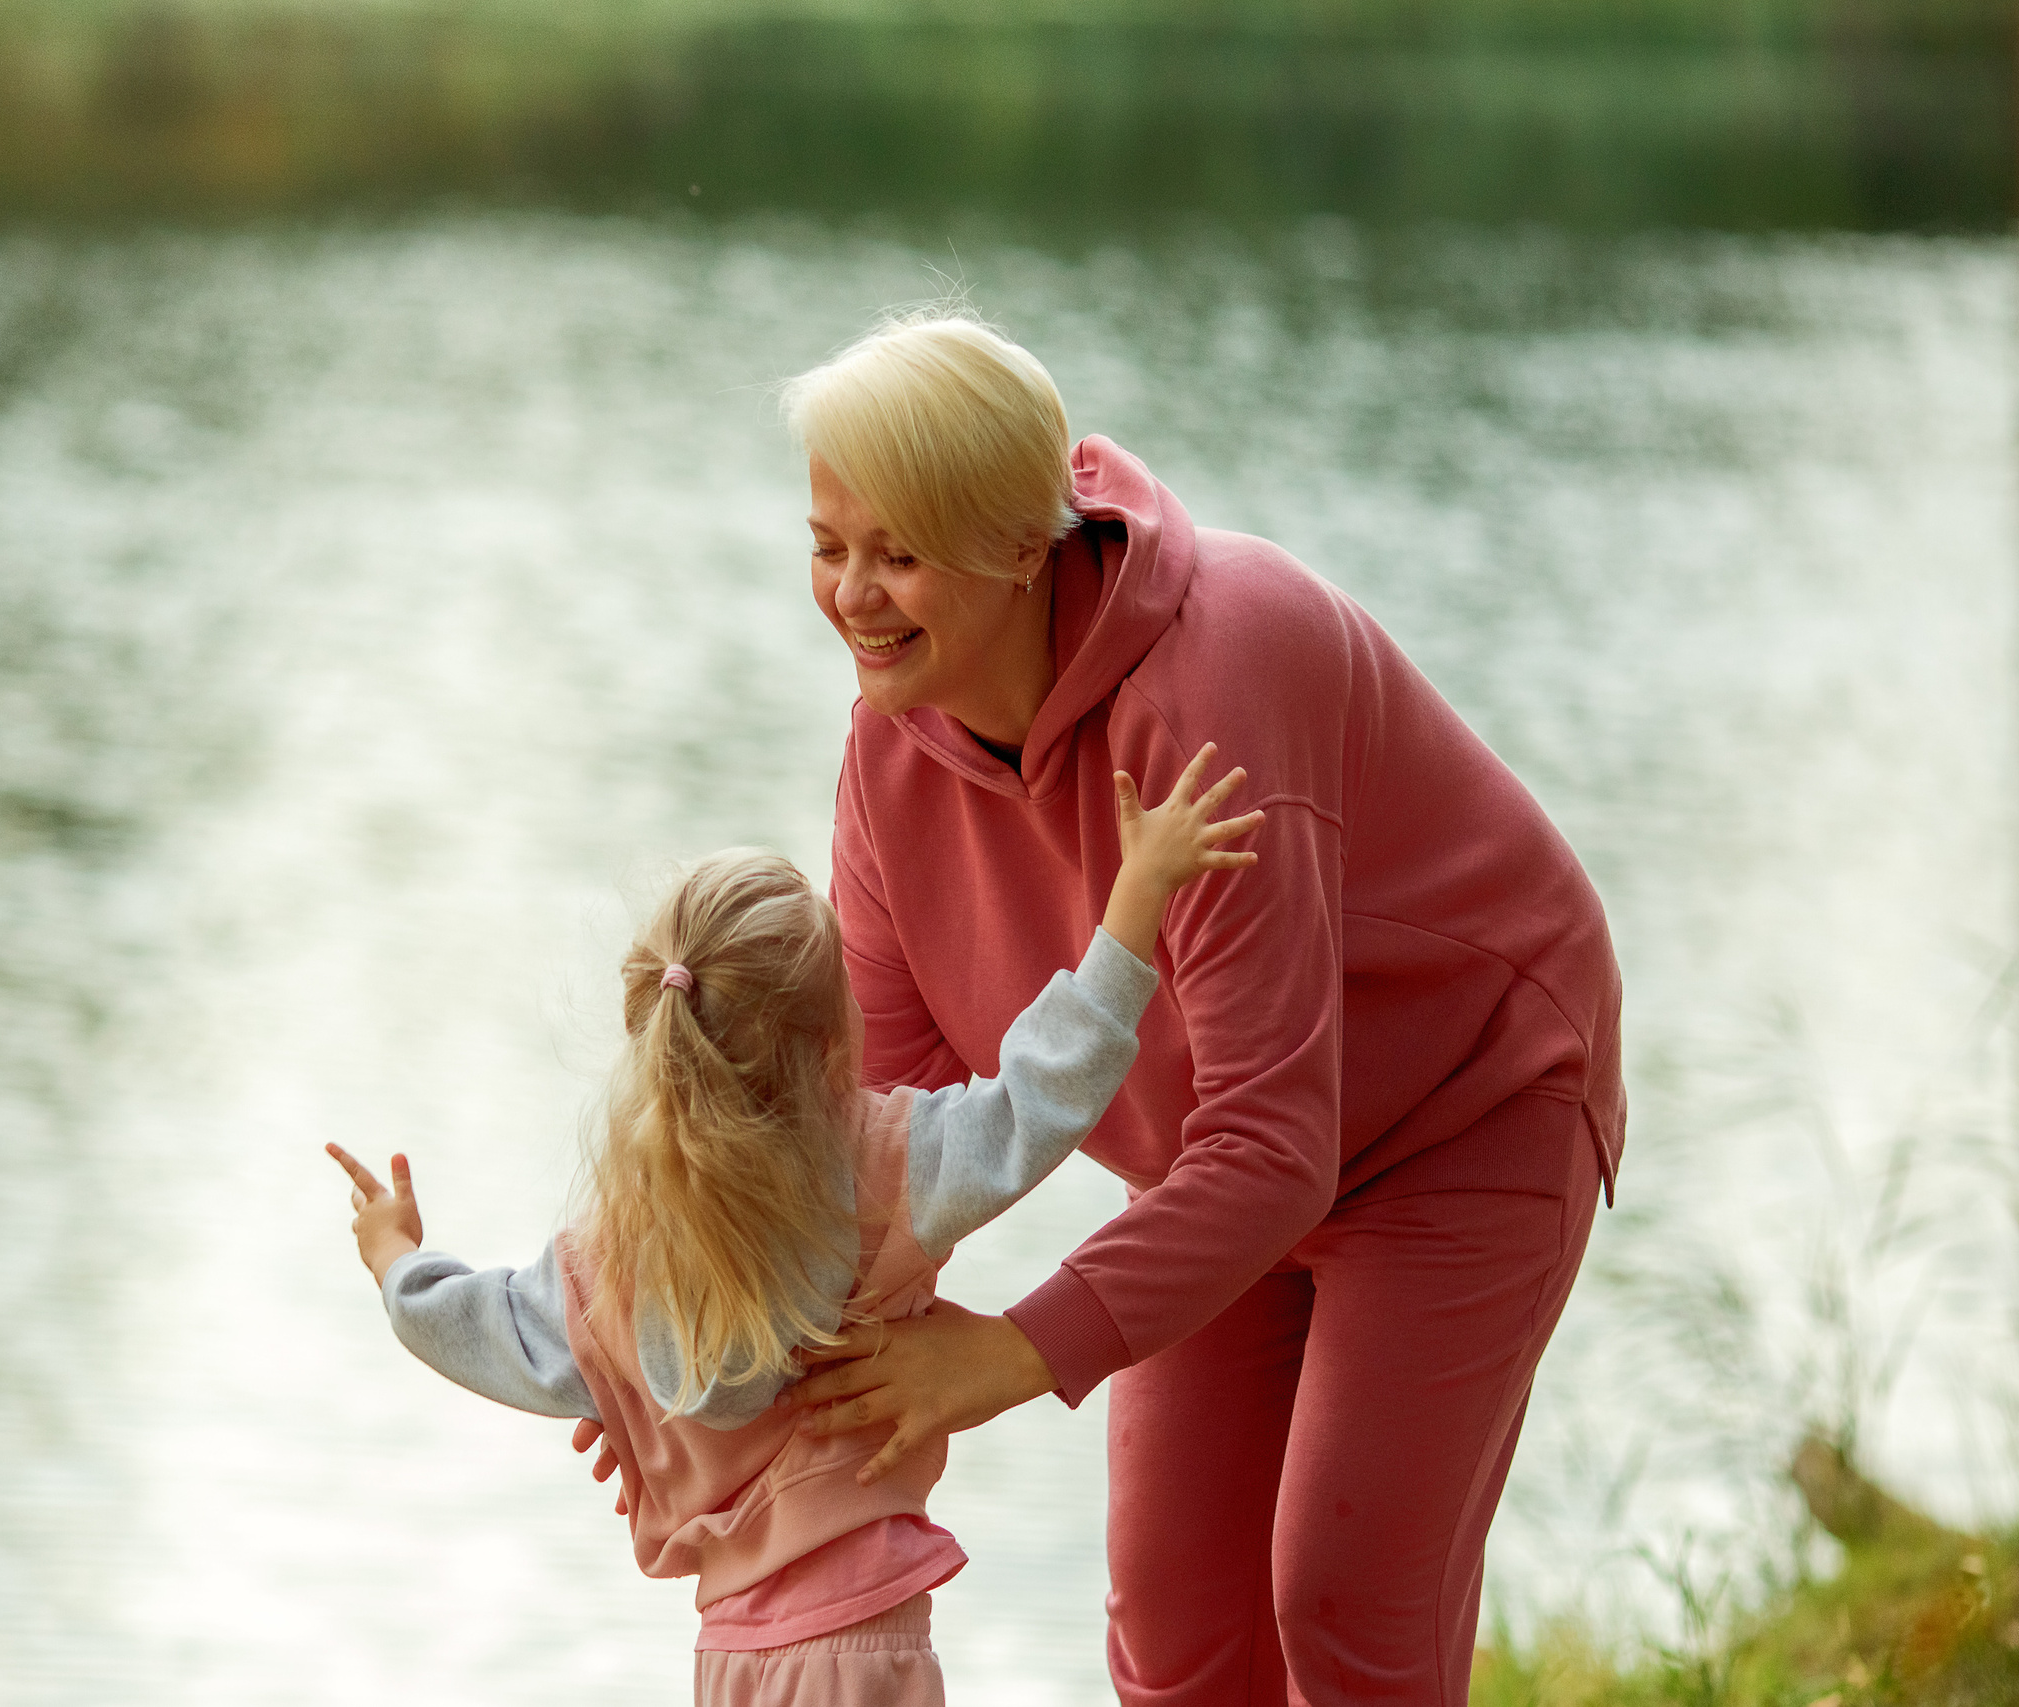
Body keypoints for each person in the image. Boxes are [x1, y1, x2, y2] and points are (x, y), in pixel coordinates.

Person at [746, 309, 1626, 1707]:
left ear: (1020, 544)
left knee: (1343, 1601)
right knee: (1175, 1620)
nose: (852, 593)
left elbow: (1278, 1143)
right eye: (827, 544)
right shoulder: (885, 754)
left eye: (897, 552)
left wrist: (1005, 1351)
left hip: (1464, 1108)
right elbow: (890, 1147)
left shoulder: (1215, 680)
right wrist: (690, 1362)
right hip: (1217, 1157)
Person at [329, 748, 1262, 1707]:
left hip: (728, 1660)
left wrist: (396, 1256)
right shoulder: (888, 1169)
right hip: (864, 1644)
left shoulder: (603, 1263)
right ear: (829, 1044)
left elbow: (476, 1327)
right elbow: (1038, 1100)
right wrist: (1134, 902)